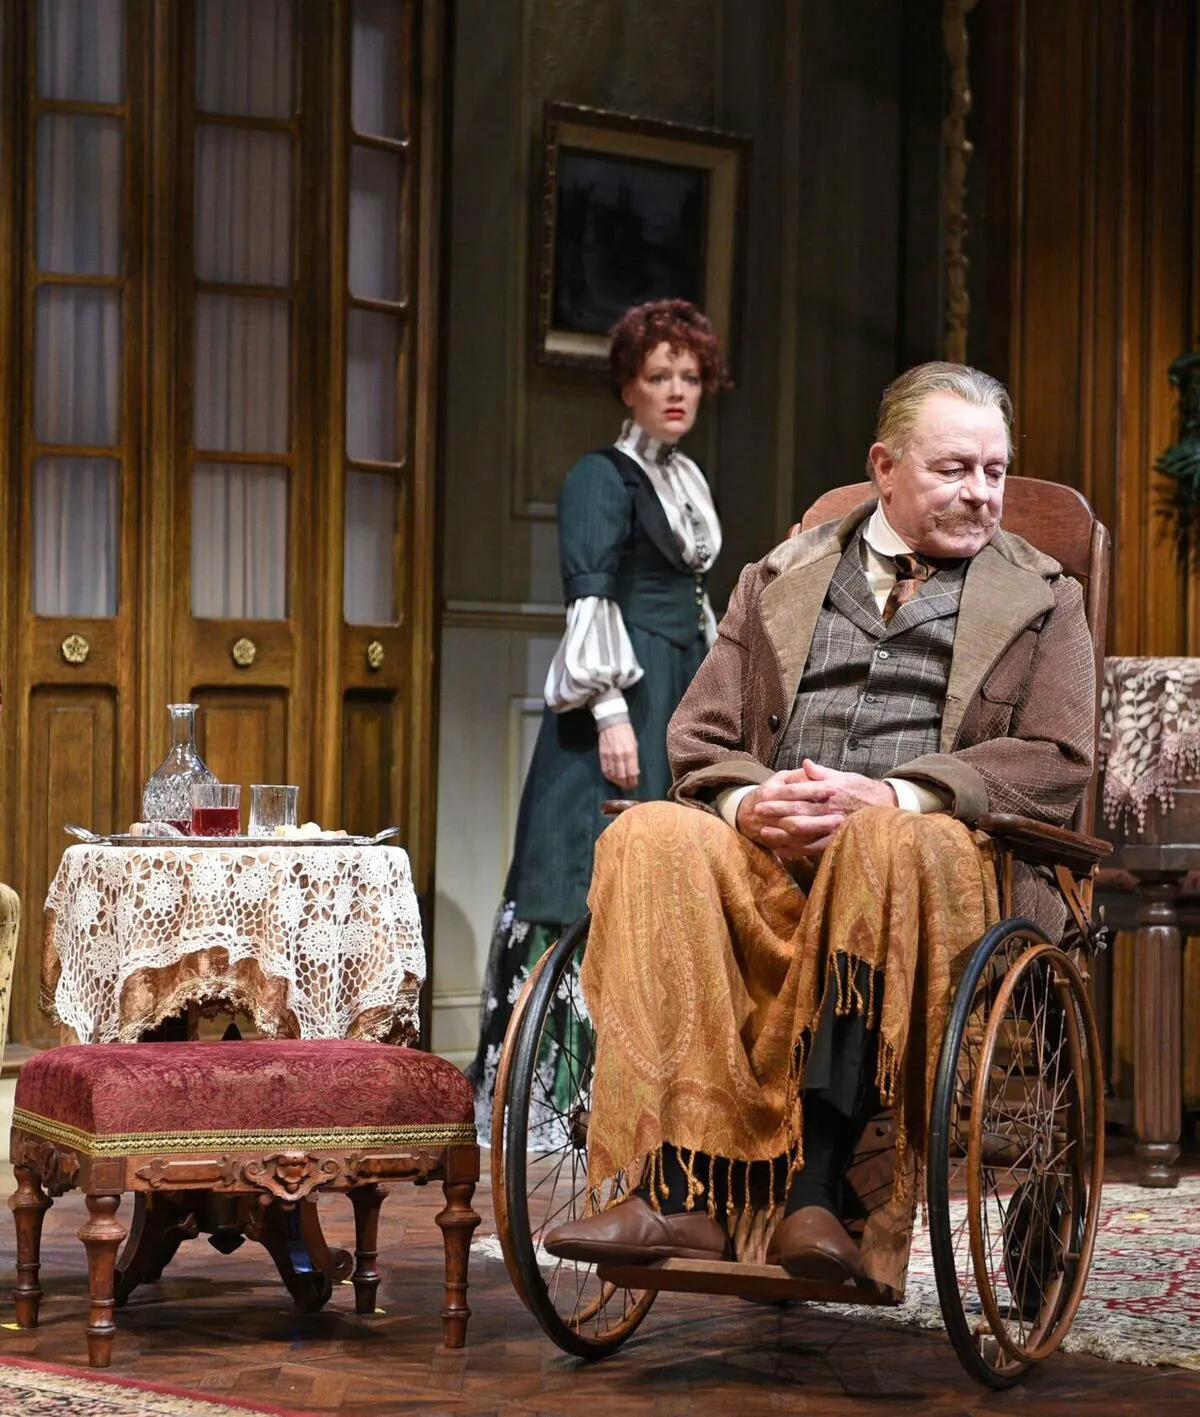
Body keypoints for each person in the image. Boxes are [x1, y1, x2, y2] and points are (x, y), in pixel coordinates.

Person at [544, 361, 1095, 1287]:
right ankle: (685, 1196)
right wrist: (750, 802)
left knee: (879, 840)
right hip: (777, 866)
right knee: (647, 834)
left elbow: (1061, 761)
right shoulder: (780, 577)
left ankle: (823, 1189)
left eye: (995, 471)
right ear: (885, 468)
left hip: (942, 876)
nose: (981, 493)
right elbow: (700, 736)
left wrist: (900, 795)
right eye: (955, 468)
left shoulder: (1046, 596)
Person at [467, 299, 727, 1140]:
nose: (677, 391)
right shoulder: (599, 476)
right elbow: (591, 595)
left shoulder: (683, 479)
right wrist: (613, 714)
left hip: (677, 684)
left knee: (662, 870)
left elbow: (696, 597)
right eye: (660, 377)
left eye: (690, 377)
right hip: (618, 701)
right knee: (583, 870)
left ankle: (648, 1080)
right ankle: (562, 1094)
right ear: (628, 384)